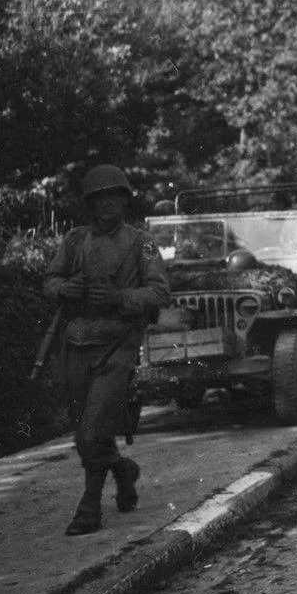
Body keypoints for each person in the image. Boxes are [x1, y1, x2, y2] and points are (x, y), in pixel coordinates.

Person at [42, 165, 171, 536]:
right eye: (99, 200)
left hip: (119, 341)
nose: (106, 206)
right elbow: (50, 281)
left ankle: (89, 508)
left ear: (124, 201)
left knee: (92, 430)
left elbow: (161, 291)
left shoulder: (142, 241)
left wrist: (121, 298)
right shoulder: (73, 241)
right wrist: (66, 289)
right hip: (77, 341)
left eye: (113, 198)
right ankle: (121, 469)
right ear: (90, 205)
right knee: (84, 428)